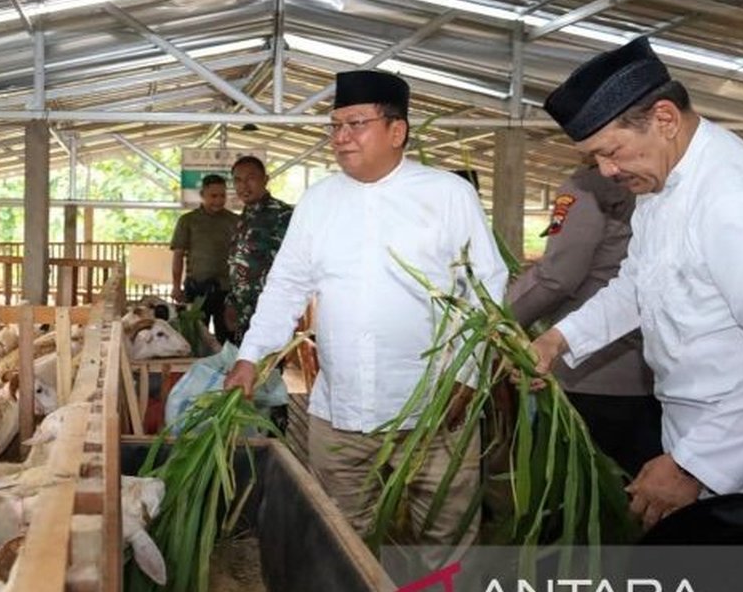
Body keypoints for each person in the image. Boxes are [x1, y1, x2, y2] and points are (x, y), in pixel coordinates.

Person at [529, 36, 743, 588]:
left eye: (611, 151)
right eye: (595, 158)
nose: (606, 170)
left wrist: (694, 464)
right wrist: (557, 340)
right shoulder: (664, 183)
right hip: (702, 429)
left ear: (663, 118)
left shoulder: (737, 202)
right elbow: (638, 283)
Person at [224, 69, 508, 550]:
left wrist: (469, 374)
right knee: (342, 541)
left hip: (437, 412)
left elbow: (485, 289)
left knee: (445, 538)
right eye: (335, 126)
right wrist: (251, 356)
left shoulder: (447, 195)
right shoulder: (319, 201)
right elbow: (286, 286)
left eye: (356, 124)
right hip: (342, 415)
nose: (340, 137)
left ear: (397, 131)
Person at [506, 162, 661, 477]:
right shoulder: (652, 182)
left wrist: (497, 318)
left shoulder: (587, 186)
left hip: (588, 374)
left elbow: (556, 277)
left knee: (572, 486)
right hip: (646, 373)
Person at [224, 155, 294, 344]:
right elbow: (237, 263)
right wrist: (231, 302)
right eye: (238, 180)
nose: (244, 186)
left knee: (268, 363)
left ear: (265, 179)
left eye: (251, 178)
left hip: (269, 313)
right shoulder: (244, 217)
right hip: (243, 314)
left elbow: (293, 266)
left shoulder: (283, 215)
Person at [171, 173, 240, 344]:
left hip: (227, 290)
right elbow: (178, 255)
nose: (218, 200)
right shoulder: (188, 221)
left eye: (222, 195)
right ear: (202, 195)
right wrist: (176, 286)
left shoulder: (235, 221)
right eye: (213, 196)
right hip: (197, 290)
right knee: (195, 337)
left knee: (227, 339)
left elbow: (241, 257)